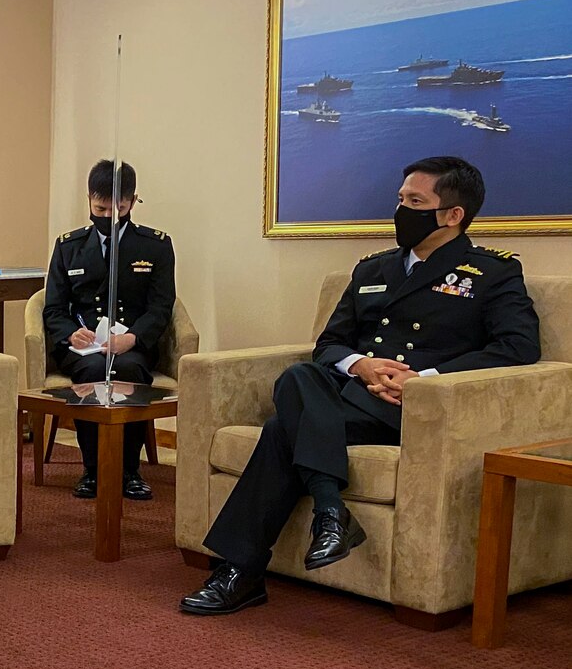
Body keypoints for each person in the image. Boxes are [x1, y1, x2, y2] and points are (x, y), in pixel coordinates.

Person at [180, 156, 540, 616]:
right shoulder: (372, 269)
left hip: (417, 411)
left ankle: (242, 570)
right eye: (400, 199)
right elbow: (329, 344)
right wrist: (362, 366)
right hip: (350, 400)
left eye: (416, 202)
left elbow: (517, 347)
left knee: (280, 429)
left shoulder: (492, 272)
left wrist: (422, 381)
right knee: (299, 376)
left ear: (454, 215)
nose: (401, 210)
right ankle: (329, 514)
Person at [42, 159, 175, 502]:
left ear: (133, 201)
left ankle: (129, 469)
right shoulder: (68, 247)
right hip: (84, 348)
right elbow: (53, 308)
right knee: (92, 374)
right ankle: (92, 469)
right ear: (89, 200)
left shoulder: (155, 246)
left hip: (132, 346)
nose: (110, 214)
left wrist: (131, 338)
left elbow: (161, 306)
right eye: (101, 207)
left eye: (120, 206)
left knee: (126, 372)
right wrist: (71, 333)